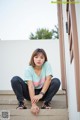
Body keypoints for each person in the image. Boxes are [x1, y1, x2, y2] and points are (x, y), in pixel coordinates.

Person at [11, 48, 60, 115]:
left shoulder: (47, 64)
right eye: (36, 57)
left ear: (44, 59)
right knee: (15, 79)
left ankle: (45, 103)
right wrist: (33, 105)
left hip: (43, 93)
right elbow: (30, 86)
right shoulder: (28, 69)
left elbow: (48, 79)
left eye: (41, 57)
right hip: (30, 93)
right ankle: (21, 103)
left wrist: (41, 94)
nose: (39, 59)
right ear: (33, 58)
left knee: (56, 81)